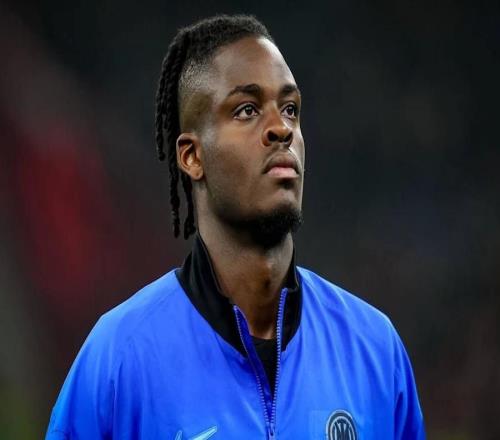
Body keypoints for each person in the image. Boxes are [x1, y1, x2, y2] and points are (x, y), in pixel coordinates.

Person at [46, 14, 425, 439]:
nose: (281, 128)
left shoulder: (375, 349)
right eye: (247, 110)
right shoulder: (119, 358)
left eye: (290, 109)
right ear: (192, 156)